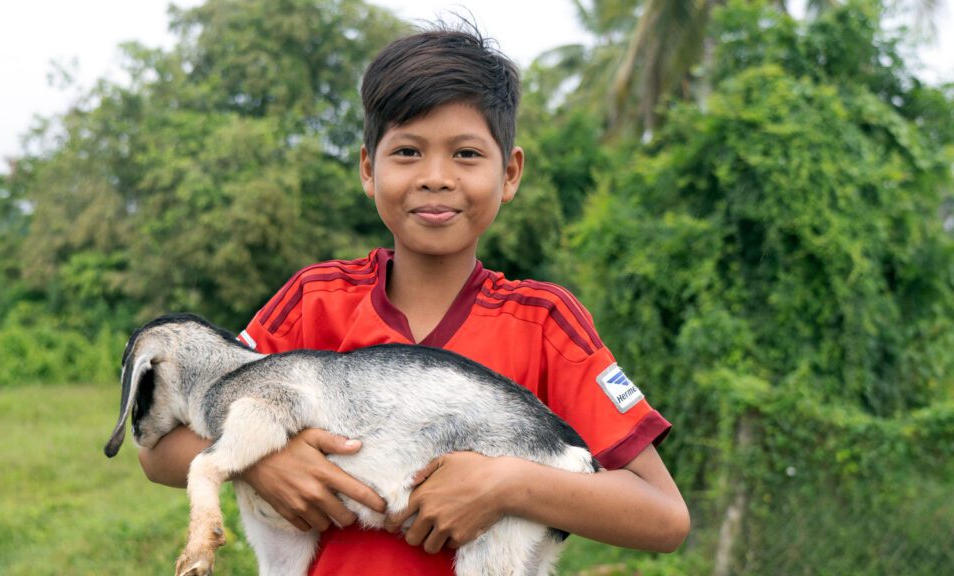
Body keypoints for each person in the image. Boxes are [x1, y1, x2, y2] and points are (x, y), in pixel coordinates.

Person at [138, 24, 690, 575]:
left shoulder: (545, 322)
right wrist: (263, 461)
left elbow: (663, 517)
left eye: (467, 153)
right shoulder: (314, 300)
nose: (435, 178)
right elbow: (158, 453)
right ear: (368, 169)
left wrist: (507, 483)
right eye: (407, 151)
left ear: (510, 173)